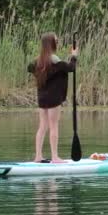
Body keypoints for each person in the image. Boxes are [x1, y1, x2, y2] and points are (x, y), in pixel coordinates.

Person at [27, 33, 78, 163]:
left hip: (42, 98)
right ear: (52, 44)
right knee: (54, 126)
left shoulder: (38, 62)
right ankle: (55, 157)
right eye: (56, 40)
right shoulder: (55, 61)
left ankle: (38, 156)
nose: (58, 42)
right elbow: (70, 68)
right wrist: (74, 56)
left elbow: (30, 68)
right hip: (54, 98)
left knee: (42, 126)